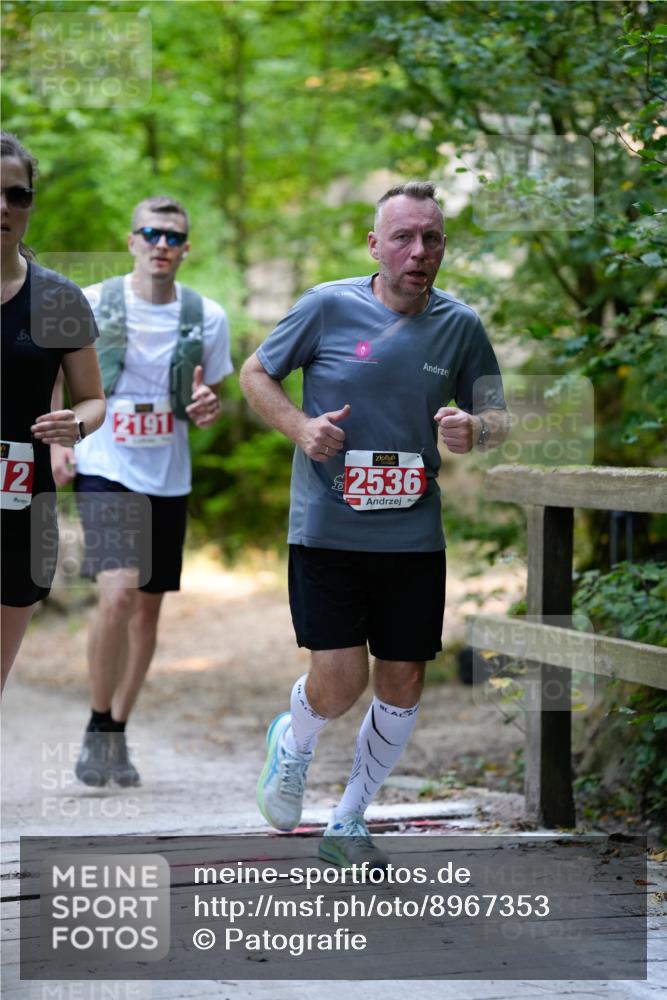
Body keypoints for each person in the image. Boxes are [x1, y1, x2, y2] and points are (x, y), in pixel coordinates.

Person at [240, 181, 509, 869]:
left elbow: (497, 417)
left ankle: (349, 818)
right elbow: (256, 374)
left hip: (412, 534)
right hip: (328, 527)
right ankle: (293, 742)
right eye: (403, 237)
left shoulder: (460, 326)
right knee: (339, 682)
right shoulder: (326, 306)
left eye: (431, 238)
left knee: (403, 680)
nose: (419, 251)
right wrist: (301, 427)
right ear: (374, 245)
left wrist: (475, 429)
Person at [51, 195, 233, 787]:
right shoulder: (92, 302)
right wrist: (59, 442)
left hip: (168, 474)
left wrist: (207, 406)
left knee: (147, 610)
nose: (161, 244)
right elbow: (54, 371)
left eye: (173, 237)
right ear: (132, 241)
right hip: (105, 463)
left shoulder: (207, 316)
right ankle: (96, 722)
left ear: (185, 249)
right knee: (119, 594)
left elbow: (209, 397)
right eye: (151, 233)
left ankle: (117, 731)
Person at [1, 132, 105, 692]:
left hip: (21, 509)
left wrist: (76, 424)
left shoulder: (59, 299)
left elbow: (93, 398)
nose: (4, 207)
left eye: (17, 195)